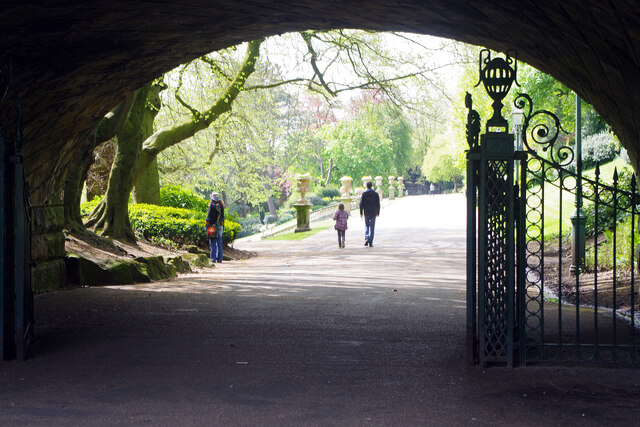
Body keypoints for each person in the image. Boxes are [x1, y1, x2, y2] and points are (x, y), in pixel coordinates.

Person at [359, 181, 380, 247]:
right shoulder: (375, 194)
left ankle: (367, 237)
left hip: (366, 212)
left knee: (367, 225)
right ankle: (370, 241)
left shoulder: (364, 194)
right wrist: (378, 212)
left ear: (366, 186)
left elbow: (361, 204)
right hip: (373, 212)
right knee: (372, 227)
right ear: (372, 186)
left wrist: (361, 212)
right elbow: (378, 204)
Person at [206, 192, 225, 263]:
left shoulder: (211, 206)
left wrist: (206, 226)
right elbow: (223, 217)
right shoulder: (221, 206)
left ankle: (213, 258)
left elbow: (208, 217)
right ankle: (220, 259)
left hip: (212, 227)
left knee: (213, 242)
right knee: (219, 242)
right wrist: (223, 226)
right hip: (220, 225)